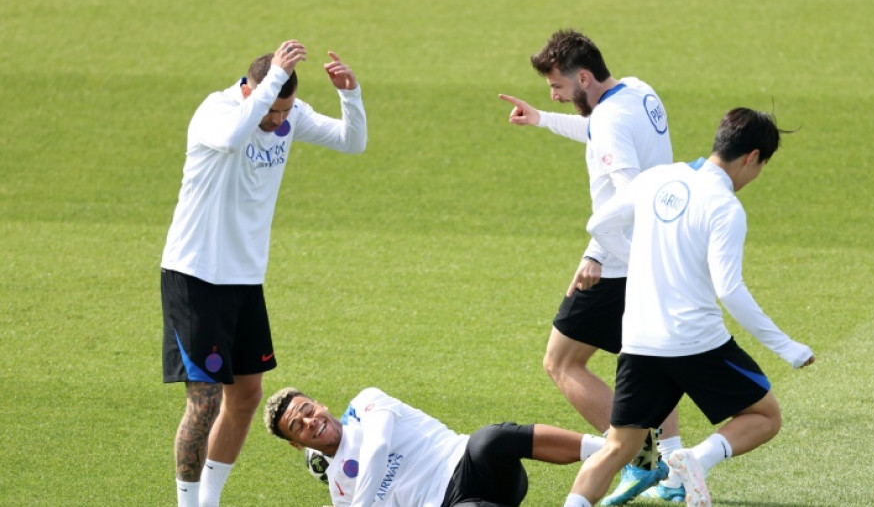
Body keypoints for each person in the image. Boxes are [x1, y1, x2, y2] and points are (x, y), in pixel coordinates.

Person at [562, 108, 817, 507]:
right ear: (751, 157)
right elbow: (729, 289)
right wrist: (789, 348)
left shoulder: (657, 178)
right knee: (764, 416)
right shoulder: (725, 207)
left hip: (640, 343)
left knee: (618, 447)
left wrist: (640, 261)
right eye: (762, 166)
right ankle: (694, 460)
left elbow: (600, 225)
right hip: (697, 343)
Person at [161, 39, 367, 507]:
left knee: (248, 396)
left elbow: (352, 143)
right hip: (196, 274)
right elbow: (235, 137)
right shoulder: (217, 111)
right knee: (205, 400)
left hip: (244, 278)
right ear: (252, 90)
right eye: (272, 109)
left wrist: (350, 95)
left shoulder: (287, 112)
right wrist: (273, 80)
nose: (279, 120)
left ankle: (209, 501)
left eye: (285, 110)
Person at [499, 29, 677, 503]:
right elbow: (603, 131)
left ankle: (638, 457)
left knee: (561, 361)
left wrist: (596, 251)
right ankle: (675, 473)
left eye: (557, 87)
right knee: (650, 362)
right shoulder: (638, 92)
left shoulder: (610, 121)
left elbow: (631, 191)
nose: (554, 94)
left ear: (582, 77)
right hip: (656, 254)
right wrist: (543, 120)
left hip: (619, 261)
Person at [263, 386, 609, 507]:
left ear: (319, 404)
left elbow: (378, 446)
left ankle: (611, 448)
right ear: (297, 444)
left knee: (491, 438)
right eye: (298, 426)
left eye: (308, 410)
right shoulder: (340, 488)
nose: (310, 421)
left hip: (470, 464)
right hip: (451, 503)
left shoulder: (366, 403)